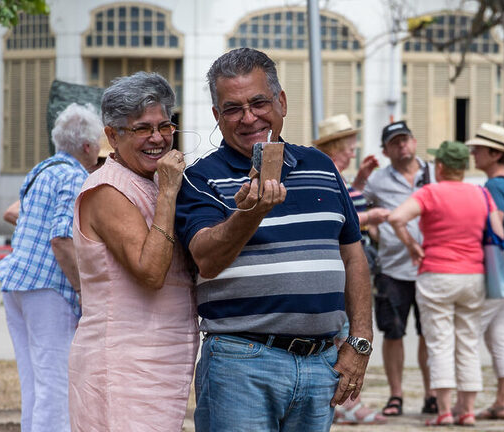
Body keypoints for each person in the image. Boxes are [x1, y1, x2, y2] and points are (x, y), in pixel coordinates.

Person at [175, 47, 374, 431]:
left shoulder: (321, 165)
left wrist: (360, 339)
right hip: (241, 361)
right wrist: (249, 214)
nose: (248, 118)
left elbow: (352, 255)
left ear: (281, 102)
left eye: (259, 102)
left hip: (320, 362)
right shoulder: (201, 178)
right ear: (217, 117)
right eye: (232, 108)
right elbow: (207, 260)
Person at [67, 72, 198, 431]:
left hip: (158, 361)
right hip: (121, 365)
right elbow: (151, 271)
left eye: (165, 126)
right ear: (112, 136)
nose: (157, 138)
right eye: (142, 129)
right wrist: (169, 193)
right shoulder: (107, 188)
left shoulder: (151, 180)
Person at [0, 103, 103, 432]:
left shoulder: (43, 170)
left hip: (17, 285)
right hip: (48, 290)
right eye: (97, 142)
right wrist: (83, 289)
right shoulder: (74, 177)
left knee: (35, 384)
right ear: (86, 147)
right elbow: (61, 239)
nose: (100, 149)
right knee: (55, 385)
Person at [387, 140, 504, 426]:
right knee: (468, 341)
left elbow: (396, 217)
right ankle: (466, 410)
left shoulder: (430, 192)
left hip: (437, 274)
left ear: (440, 167)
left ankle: (443, 411)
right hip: (474, 276)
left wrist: (412, 245)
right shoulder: (482, 194)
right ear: (463, 167)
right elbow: (499, 232)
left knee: (440, 342)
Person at [313, 114, 388, 425]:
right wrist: (372, 218)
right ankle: (346, 401)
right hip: (340, 270)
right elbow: (343, 221)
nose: (353, 153)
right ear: (335, 148)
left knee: (344, 335)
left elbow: (348, 202)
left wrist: (360, 182)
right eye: (349, 148)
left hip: (344, 269)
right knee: (345, 337)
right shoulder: (328, 175)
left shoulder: (338, 178)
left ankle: (345, 400)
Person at [362, 120, 436, 416]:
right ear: (386, 150)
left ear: (414, 142)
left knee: (430, 334)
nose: (402, 145)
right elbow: (357, 208)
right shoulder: (378, 180)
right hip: (393, 268)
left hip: (433, 267)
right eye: (395, 142)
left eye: (406, 139)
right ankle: (396, 395)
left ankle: (432, 394)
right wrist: (373, 228)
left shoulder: (434, 174)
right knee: (393, 333)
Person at [466, 123, 504, 421]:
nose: (473, 153)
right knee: (500, 335)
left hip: (495, 270)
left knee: (469, 333)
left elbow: (495, 222)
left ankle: (466, 405)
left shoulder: (495, 186)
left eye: (478, 149)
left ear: (495, 153)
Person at [2, 134, 114, 226]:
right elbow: (11, 212)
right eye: (98, 160)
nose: (96, 164)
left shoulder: (108, 190)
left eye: (104, 161)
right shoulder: (69, 180)